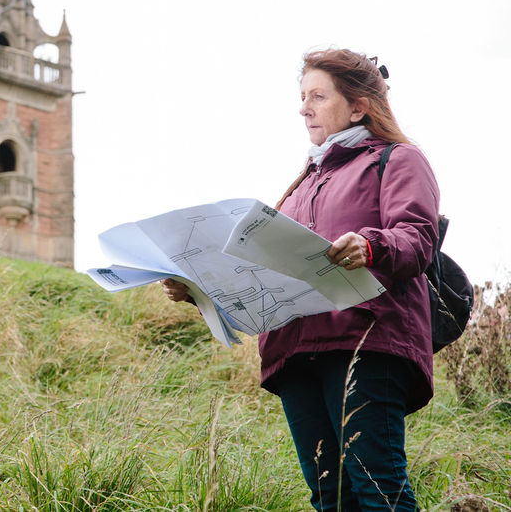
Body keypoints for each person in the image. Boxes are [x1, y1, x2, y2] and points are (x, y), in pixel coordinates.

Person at [164, 48, 438, 511]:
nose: (303, 107)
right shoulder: (299, 185)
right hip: (294, 351)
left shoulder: (398, 159)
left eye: (317, 95)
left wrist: (370, 246)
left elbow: (418, 237)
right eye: (302, 96)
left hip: (364, 342)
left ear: (357, 106)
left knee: (379, 490)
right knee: (329, 499)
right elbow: (262, 274)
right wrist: (199, 290)